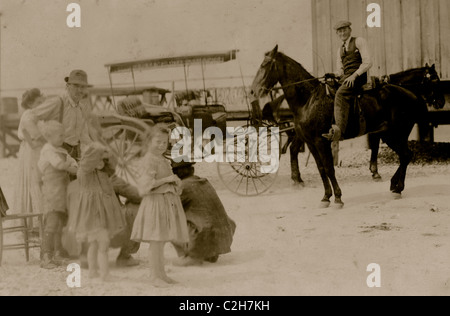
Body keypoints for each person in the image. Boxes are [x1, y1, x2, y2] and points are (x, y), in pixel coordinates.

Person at [131, 124, 189, 287]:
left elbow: (167, 180)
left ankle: (162, 274)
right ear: (149, 141)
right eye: (158, 142)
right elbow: (145, 186)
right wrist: (167, 180)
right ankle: (154, 276)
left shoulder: (162, 159)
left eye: (164, 143)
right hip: (154, 204)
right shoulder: (148, 160)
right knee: (155, 241)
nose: (161, 146)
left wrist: (176, 184)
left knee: (161, 240)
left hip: (164, 203)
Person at [67, 143, 126, 281]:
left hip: (95, 213)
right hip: (95, 213)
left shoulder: (98, 170)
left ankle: (93, 271)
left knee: (94, 243)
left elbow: (112, 167)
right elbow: (92, 165)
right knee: (103, 244)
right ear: (92, 160)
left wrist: (107, 155)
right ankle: (105, 274)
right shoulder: (86, 171)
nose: (102, 162)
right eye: (99, 159)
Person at [171, 159, 236, 266]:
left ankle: (192, 257)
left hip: (205, 234)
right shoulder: (203, 181)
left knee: (168, 221)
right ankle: (209, 253)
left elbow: (169, 209)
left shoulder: (183, 186)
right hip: (225, 235)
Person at [322, 21, 378, 142]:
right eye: (340, 31)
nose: (342, 33)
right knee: (328, 89)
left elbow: (368, 62)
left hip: (359, 76)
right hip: (346, 77)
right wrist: (333, 75)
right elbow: (341, 71)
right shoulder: (340, 49)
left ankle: (339, 131)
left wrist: (354, 76)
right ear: (337, 33)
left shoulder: (359, 41)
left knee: (341, 94)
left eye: (344, 30)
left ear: (350, 30)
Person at [28, 69, 100, 161]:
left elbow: (83, 135)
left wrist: (96, 147)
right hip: (57, 152)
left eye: (82, 87)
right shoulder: (58, 102)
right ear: (68, 86)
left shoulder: (81, 108)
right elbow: (30, 117)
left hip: (75, 152)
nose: (79, 90)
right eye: (76, 86)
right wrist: (41, 139)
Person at [37, 121, 78, 269]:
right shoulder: (47, 150)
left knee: (60, 223)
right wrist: (69, 166)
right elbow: (58, 165)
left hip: (62, 191)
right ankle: (45, 255)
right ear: (49, 137)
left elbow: (74, 165)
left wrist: (73, 166)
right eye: (60, 135)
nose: (63, 137)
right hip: (51, 193)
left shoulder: (62, 151)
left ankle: (57, 253)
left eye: (63, 134)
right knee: (52, 223)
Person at [13, 88, 46, 219]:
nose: (41, 105)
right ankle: (34, 219)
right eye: (39, 102)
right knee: (33, 179)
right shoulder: (28, 115)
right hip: (31, 150)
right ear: (30, 103)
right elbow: (36, 136)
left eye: (42, 102)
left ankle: (39, 218)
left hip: (36, 148)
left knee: (39, 178)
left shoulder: (36, 114)